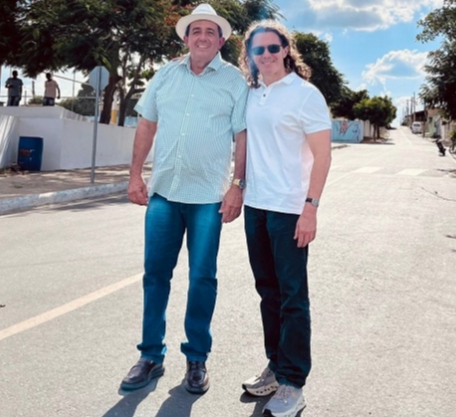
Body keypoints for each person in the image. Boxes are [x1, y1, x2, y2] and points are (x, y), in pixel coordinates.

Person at [121, 3, 248, 395]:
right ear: (186, 38)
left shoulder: (234, 81)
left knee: (202, 278)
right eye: (196, 31)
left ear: (221, 41)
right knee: (155, 276)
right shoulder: (165, 75)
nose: (203, 37)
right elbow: (147, 124)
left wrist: (237, 185)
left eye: (210, 31)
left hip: (208, 197)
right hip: (164, 193)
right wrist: (135, 174)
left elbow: (242, 136)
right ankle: (150, 356)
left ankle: (196, 358)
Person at [238, 20, 332, 417]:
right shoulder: (252, 93)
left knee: (293, 297)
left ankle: (294, 383)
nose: (266, 55)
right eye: (258, 50)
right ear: (250, 56)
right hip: (256, 206)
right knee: (268, 292)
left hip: (290, 209)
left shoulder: (305, 95)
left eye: (272, 48)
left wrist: (310, 207)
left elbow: (323, 155)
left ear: (286, 50)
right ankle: (276, 366)